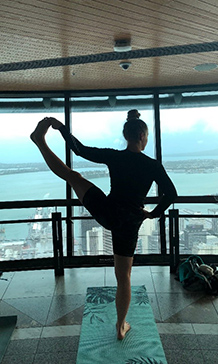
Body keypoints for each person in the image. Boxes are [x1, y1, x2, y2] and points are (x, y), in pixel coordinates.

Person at [30, 109, 177, 340]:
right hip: (128, 224)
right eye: (146, 136)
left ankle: (40, 142)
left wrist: (62, 129)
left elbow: (80, 149)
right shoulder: (152, 165)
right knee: (124, 276)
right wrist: (152, 215)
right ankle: (120, 326)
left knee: (73, 177)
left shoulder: (115, 156)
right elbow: (171, 194)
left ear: (127, 135)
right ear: (142, 136)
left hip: (107, 212)